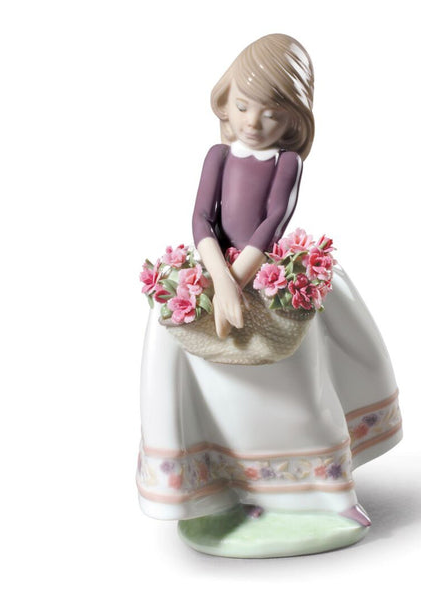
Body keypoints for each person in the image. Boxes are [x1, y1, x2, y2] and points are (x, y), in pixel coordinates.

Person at [137, 34, 402, 557]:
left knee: (300, 386)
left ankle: (325, 492)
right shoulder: (218, 155)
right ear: (225, 102)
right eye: (242, 106)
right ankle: (230, 486)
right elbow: (201, 219)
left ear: (294, 120)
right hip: (216, 271)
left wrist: (239, 280)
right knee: (210, 389)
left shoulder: (287, 164)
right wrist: (218, 279)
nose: (253, 122)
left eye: (271, 113)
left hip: (266, 275)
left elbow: (273, 222)